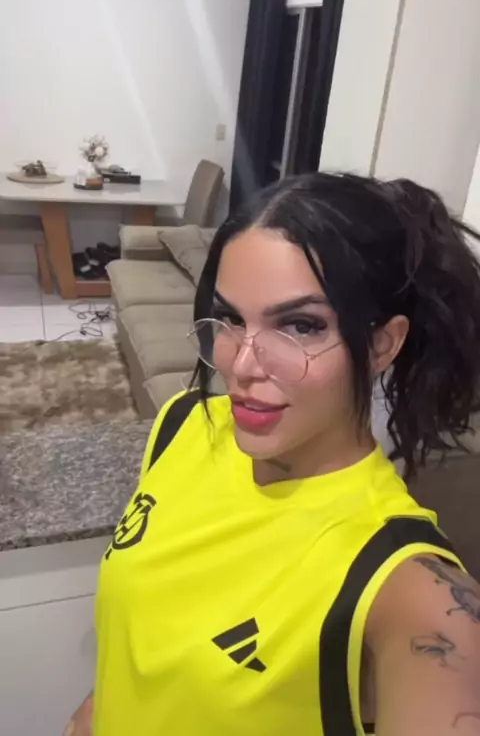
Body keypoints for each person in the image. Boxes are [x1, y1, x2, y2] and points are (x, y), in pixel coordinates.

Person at [66, 173, 480, 736]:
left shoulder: (403, 585)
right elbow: (146, 639)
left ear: (383, 343)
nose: (241, 365)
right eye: (231, 319)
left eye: (300, 326)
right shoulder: (185, 425)